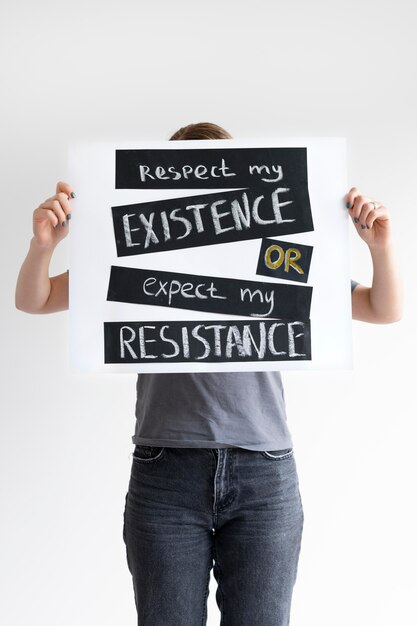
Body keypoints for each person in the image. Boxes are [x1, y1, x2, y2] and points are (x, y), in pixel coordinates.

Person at [15, 122, 403, 626]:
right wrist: (44, 243)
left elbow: (381, 308)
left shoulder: (272, 252)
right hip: (166, 472)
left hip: (264, 473)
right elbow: (34, 299)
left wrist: (379, 247)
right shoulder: (134, 253)